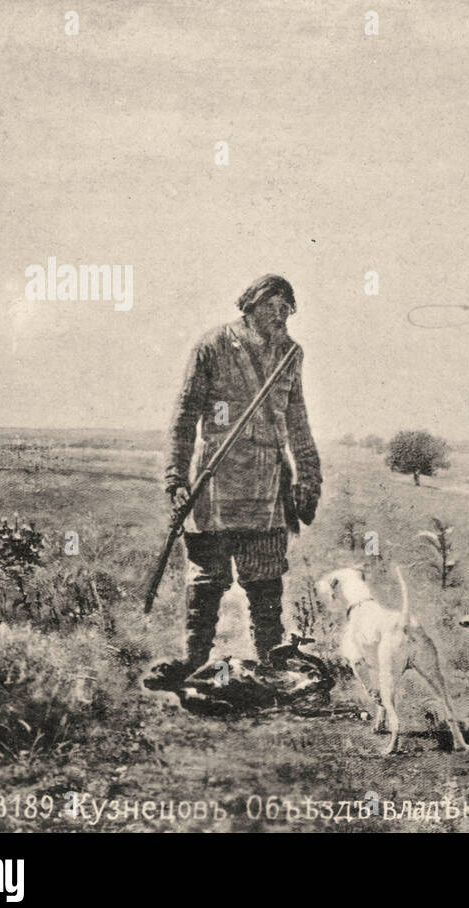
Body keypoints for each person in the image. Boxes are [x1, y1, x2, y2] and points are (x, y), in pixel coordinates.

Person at [146, 274, 322, 690]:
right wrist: (175, 479)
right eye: (271, 307)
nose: (280, 316)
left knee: (265, 580)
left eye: (286, 308)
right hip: (216, 482)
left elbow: (297, 422)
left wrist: (309, 477)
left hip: (267, 484)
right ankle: (193, 661)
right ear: (249, 307)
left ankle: (273, 664)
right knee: (207, 578)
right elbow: (185, 417)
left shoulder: (291, 354)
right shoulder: (213, 346)